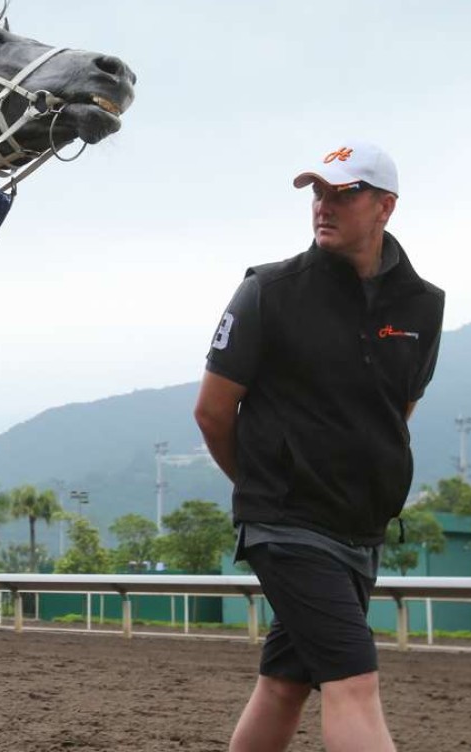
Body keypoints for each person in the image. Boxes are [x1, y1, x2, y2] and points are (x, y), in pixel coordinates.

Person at [193, 142, 444, 752]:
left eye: (343, 193)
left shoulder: (423, 304)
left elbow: (396, 412)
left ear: (385, 207)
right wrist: (265, 486)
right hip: (287, 522)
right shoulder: (269, 291)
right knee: (354, 681)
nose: (324, 206)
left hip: (360, 528)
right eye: (318, 193)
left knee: (285, 682)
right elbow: (213, 411)